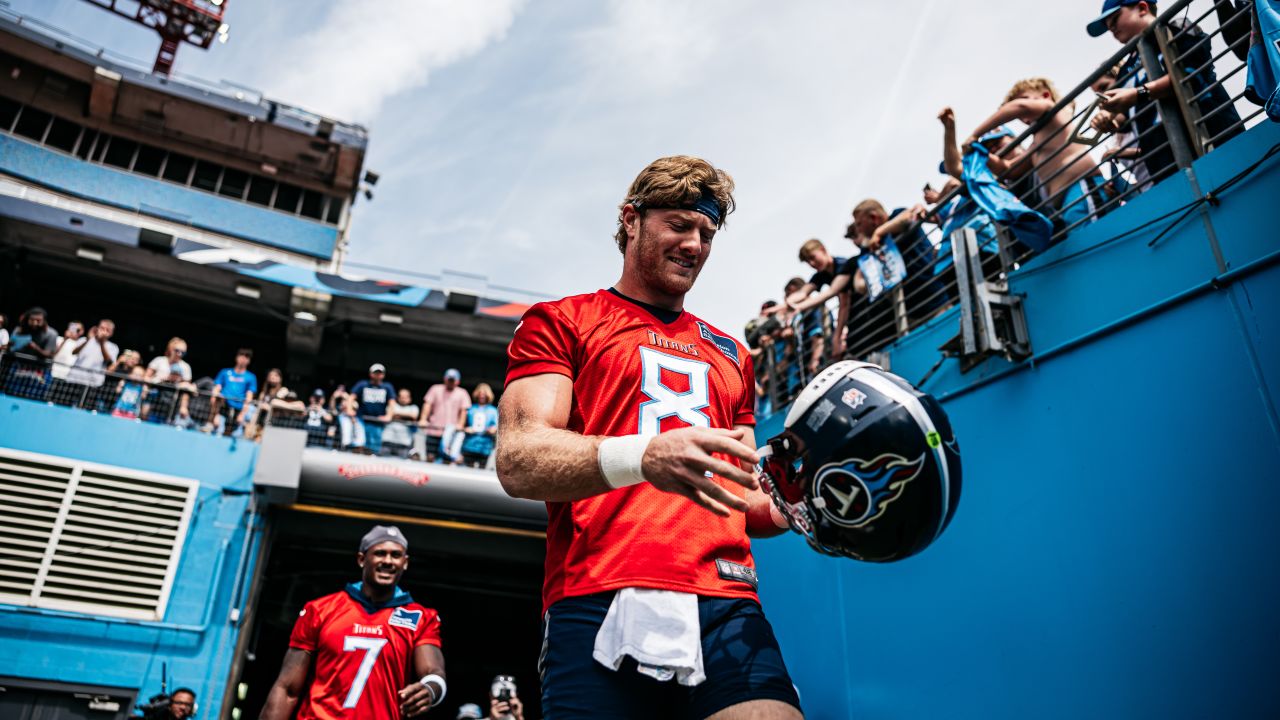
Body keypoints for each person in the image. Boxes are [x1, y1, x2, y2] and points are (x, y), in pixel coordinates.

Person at [496, 156, 801, 719]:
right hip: (598, 588)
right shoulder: (563, 320)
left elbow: (747, 499)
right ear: (631, 219)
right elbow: (518, 459)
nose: (695, 245)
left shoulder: (734, 354)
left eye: (707, 234)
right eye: (680, 225)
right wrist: (643, 455)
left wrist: (802, 505)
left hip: (726, 597)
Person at [260, 525, 445, 720]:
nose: (388, 561)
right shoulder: (321, 610)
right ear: (361, 559)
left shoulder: (421, 618)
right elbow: (288, 688)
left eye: (396, 555)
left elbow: (434, 671)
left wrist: (430, 689)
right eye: (380, 553)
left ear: (405, 563)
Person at [1089, 0, 1244, 179]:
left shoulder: (1176, 27)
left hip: (1215, 139)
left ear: (1142, 8)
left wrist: (1139, 93)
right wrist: (1110, 119)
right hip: (1165, 166)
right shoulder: (1125, 69)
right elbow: (1128, 115)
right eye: (1108, 26)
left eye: (1115, 19)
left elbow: (1190, 74)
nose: (1112, 29)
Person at [964, 78, 1109, 231]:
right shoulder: (1038, 140)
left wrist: (975, 134)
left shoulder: (1052, 109)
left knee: (1100, 238)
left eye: (1025, 98)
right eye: (1020, 117)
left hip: (1082, 189)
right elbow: (1009, 169)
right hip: (1068, 202)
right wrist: (978, 150)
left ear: (1045, 95)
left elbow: (1020, 107)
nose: (1023, 116)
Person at [415, 369, 470, 463]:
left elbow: (463, 411)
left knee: (447, 460)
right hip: (434, 430)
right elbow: (427, 404)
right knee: (430, 457)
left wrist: (460, 424)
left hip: (451, 433)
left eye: (453, 380)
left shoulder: (462, 393)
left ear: (458, 381)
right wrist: (423, 419)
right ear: (445, 379)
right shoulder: (435, 389)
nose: (451, 382)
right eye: (449, 379)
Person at [4, 307, 59, 400]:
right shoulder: (19, 330)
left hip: (39, 372)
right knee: (11, 395)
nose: (34, 323)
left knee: (34, 398)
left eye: (38, 320)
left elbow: (49, 354)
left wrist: (35, 347)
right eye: (32, 320)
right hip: (19, 369)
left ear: (44, 321)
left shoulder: (51, 334)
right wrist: (11, 345)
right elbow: (10, 348)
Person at [209, 349, 258, 436]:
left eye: (246, 356)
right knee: (217, 432)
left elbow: (249, 396)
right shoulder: (225, 372)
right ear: (236, 357)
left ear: (249, 361)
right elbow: (216, 390)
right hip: (223, 408)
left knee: (237, 435)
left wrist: (242, 414)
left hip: (239, 409)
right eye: (241, 355)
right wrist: (215, 414)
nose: (243, 358)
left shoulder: (251, 377)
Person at [351, 364, 396, 455]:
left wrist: (389, 415)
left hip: (378, 422)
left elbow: (392, 402)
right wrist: (350, 410)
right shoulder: (363, 384)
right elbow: (351, 397)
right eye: (375, 373)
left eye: (380, 373)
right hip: (362, 420)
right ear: (370, 374)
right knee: (359, 444)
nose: (378, 375)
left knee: (374, 447)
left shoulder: (387, 387)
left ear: (383, 375)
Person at [460, 383, 499, 468]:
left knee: (481, 471)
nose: (482, 396)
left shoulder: (493, 411)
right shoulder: (470, 409)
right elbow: (461, 425)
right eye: (480, 394)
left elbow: (496, 427)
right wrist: (465, 429)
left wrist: (493, 429)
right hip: (469, 446)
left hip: (485, 447)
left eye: (484, 394)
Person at [384, 388, 420, 458]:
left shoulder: (414, 408)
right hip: (388, 442)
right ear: (398, 398)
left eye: (406, 397)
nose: (403, 399)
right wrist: (406, 416)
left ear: (410, 398)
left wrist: (396, 414)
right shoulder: (392, 405)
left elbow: (413, 416)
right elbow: (389, 414)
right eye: (401, 397)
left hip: (404, 444)